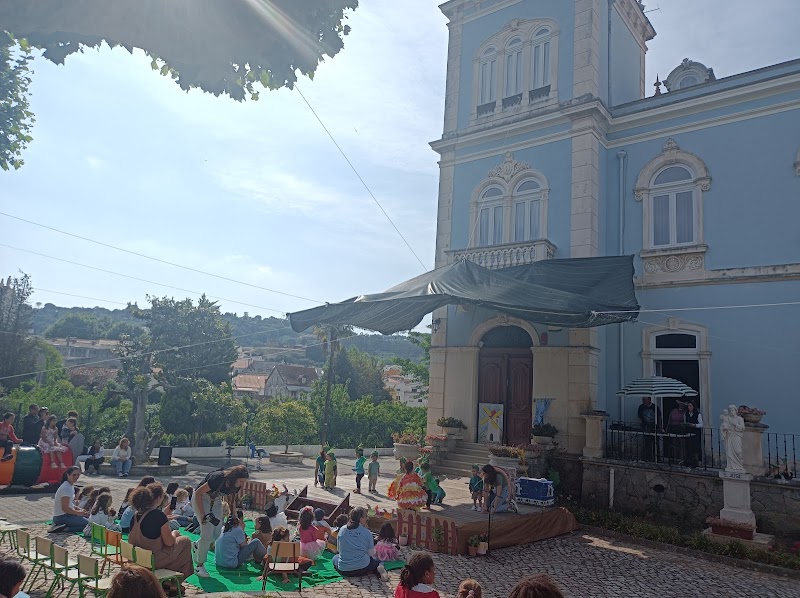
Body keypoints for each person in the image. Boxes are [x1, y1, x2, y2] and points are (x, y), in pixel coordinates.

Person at [191, 464, 249, 578]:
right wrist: (202, 514)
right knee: (207, 534)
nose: (243, 484)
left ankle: (198, 545)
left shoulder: (236, 485)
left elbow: (231, 498)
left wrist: (234, 515)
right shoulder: (218, 478)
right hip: (202, 498)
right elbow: (198, 493)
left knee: (217, 533)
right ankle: (199, 565)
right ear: (235, 477)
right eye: (241, 481)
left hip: (216, 499)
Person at [128, 483, 194, 579]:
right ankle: (175, 583)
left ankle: (170, 580)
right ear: (158, 498)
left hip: (139, 557)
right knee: (186, 541)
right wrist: (174, 534)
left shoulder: (135, 515)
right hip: (153, 559)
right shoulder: (158, 516)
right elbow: (169, 542)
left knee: (180, 547)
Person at [333, 507, 389, 581]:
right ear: (361, 519)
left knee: (335, 558)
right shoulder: (366, 532)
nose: (367, 519)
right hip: (362, 567)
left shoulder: (342, 530)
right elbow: (371, 553)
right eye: (366, 517)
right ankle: (379, 569)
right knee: (378, 561)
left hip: (344, 569)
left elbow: (339, 550)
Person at [51, 466, 90, 533]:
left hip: (65, 515)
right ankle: (65, 528)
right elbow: (65, 508)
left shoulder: (70, 486)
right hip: (61, 517)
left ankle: (64, 526)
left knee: (87, 519)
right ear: (68, 475)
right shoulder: (66, 488)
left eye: (78, 475)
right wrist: (78, 513)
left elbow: (70, 503)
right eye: (74, 475)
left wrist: (78, 509)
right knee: (89, 525)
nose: (76, 477)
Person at [683, 401, 704, 467]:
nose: (689, 407)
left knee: (695, 448)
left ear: (693, 407)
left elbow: (701, 424)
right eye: (688, 406)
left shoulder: (698, 414)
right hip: (688, 433)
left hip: (695, 434)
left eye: (690, 406)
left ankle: (695, 462)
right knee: (688, 447)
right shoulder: (686, 414)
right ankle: (688, 461)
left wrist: (694, 425)